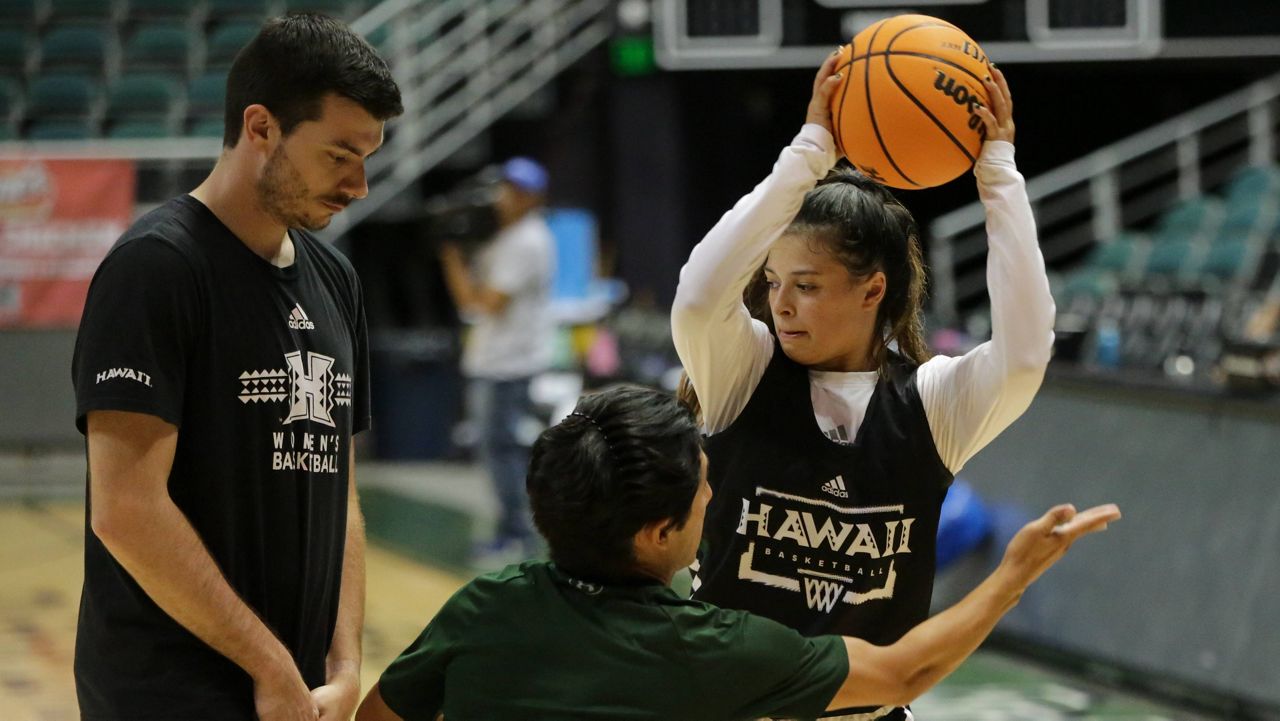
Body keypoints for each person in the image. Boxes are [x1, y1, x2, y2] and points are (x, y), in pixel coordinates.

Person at [670, 51, 1054, 720]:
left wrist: (997, 174)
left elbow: (1024, 355)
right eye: (774, 282)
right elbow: (700, 298)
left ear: (873, 289)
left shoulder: (932, 403)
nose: (782, 303)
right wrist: (808, 151)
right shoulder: (744, 372)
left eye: (808, 286)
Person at [353, 385, 1118, 720]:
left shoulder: (485, 607)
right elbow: (904, 671)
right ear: (657, 533)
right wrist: (1012, 574)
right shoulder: (712, 648)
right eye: (703, 489)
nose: (712, 498)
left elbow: (379, 715)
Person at [70, 14, 401, 721]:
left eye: (367, 158)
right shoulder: (155, 268)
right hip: (169, 692)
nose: (360, 185)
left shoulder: (336, 279)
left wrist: (342, 664)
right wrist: (268, 663)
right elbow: (125, 509)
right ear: (261, 128)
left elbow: (340, 495)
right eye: (339, 155)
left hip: (294, 692)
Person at [438, 157, 556, 565]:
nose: (506, 197)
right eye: (506, 188)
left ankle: (517, 535)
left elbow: (480, 303)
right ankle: (512, 532)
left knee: (501, 452)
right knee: (496, 451)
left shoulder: (528, 240)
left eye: (518, 191)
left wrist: (450, 256)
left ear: (534, 198)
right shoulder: (505, 235)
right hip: (495, 361)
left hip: (510, 365)